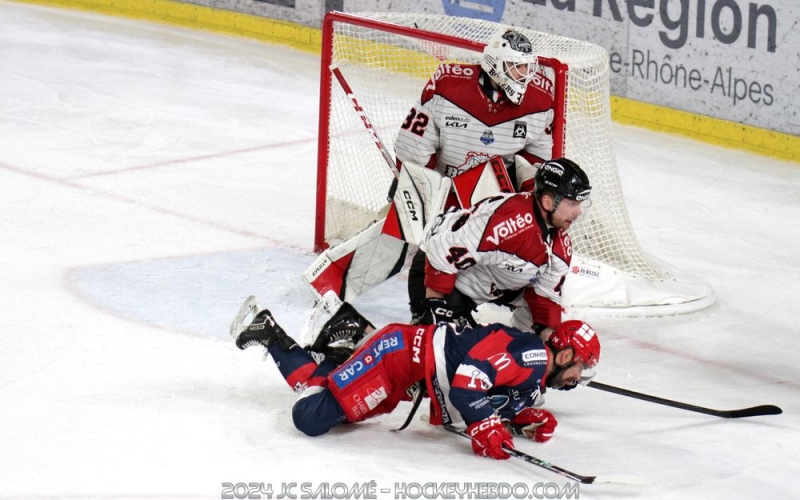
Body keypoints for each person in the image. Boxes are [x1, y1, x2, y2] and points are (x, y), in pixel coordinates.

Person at [230, 300, 600, 461]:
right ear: (565, 355)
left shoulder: (533, 375)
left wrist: (516, 419)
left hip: (406, 372)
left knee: (332, 411)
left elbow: (487, 390)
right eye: (580, 367)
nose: (576, 378)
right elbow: (468, 381)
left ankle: (341, 338)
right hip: (398, 357)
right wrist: (486, 425)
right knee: (309, 417)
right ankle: (329, 346)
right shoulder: (532, 356)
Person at [393, 28, 558, 323]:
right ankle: (430, 316)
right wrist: (428, 196)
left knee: (505, 258)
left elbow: (538, 165)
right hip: (443, 192)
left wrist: (525, 209)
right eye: (516, 67)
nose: (524, 76)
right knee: (431, 253)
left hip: (495, 199)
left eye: (526, 68)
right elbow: (413, 149)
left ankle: (510, 315)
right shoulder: (448, 85)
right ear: (495, 65)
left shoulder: (539, 102)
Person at [418, 157, 592, 333]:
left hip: (491, 285)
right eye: (572, 203)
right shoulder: (510, 224)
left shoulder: (558, 242)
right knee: (448, 350)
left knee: (530, 348)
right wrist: (435, 307)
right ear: (548, 202)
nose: (578, 212)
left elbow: (544, 299)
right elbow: (440, 252)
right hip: (435, 276)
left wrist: (549, 345)